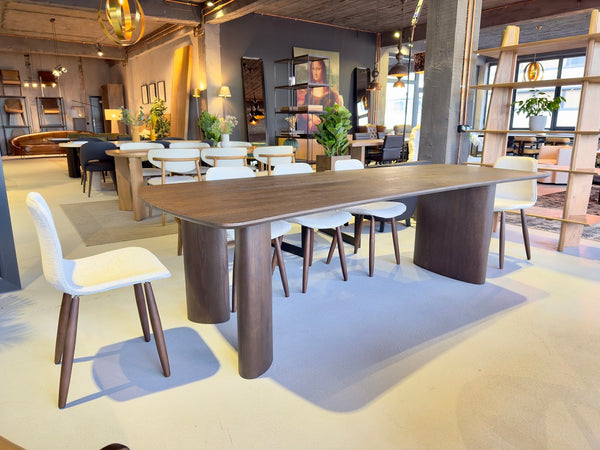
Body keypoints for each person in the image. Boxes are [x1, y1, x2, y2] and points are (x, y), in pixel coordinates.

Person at [296, 59, 342, 133]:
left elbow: (329, 116)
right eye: (313, 69)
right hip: (307, 128)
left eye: (318, 69)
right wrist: (311, 117)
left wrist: (315, 120)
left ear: (323, 71)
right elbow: (303, 111)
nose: (315, 73)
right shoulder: (309, 92)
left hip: (322, 130)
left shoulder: (329, 95)